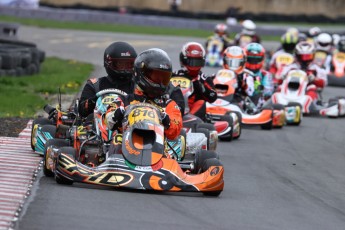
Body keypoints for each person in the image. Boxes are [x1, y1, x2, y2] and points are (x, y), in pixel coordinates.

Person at [106, 48, 182, 141]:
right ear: (141, 74)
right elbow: (108, 121)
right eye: (156, 77)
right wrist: (116, 116)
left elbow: (175, 131)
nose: (160, 83)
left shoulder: (169, 104)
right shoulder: (124, 100)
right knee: (116, 141)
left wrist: (167, 121)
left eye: (164, 78)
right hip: (126, 146)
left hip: (157, 149)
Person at [78, 41, 137, 118]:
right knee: (91, 117)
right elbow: (82, 111)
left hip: (127, 124)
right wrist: (95, 100)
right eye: (121, 64)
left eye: (129, 64)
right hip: (99, 125)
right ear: (109, 63)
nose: (125, 69)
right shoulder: (95, 85)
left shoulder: (137, 87)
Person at [173, 42, 217, 120]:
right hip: (173, 108)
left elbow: (212, 97)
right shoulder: (175, 75)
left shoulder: (204, 78)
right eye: (191, 62)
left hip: (192, 113)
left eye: (197, 62)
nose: (194, 65)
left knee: (201, 103)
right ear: (184, 60)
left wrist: (200, 86)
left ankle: (188, 121)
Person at [222, 45, 256, 111]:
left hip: (238, 100)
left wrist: (243, 84)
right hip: (221, 97)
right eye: (230, 62)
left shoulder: (247, 75)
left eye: (236, 62)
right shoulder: (222, 73)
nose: (233, 66)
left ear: (242, 62)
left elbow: (250, 92)